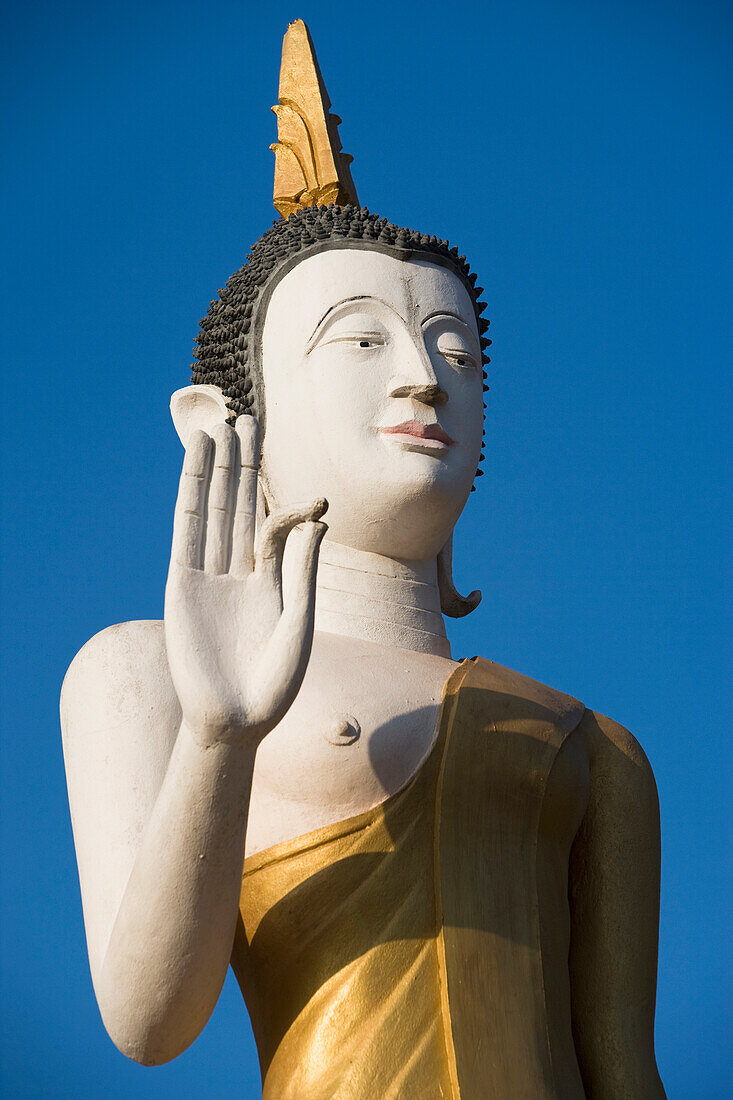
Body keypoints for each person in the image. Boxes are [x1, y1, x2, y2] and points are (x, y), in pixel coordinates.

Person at [61, 24, 666, 1100]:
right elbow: (148, 1019)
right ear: (223, 423)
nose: (425, 380)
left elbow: (624, 1066)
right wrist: (218, 732)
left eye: (454, 349)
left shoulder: (591, 743)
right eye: (360, 338)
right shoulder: (144, 671)